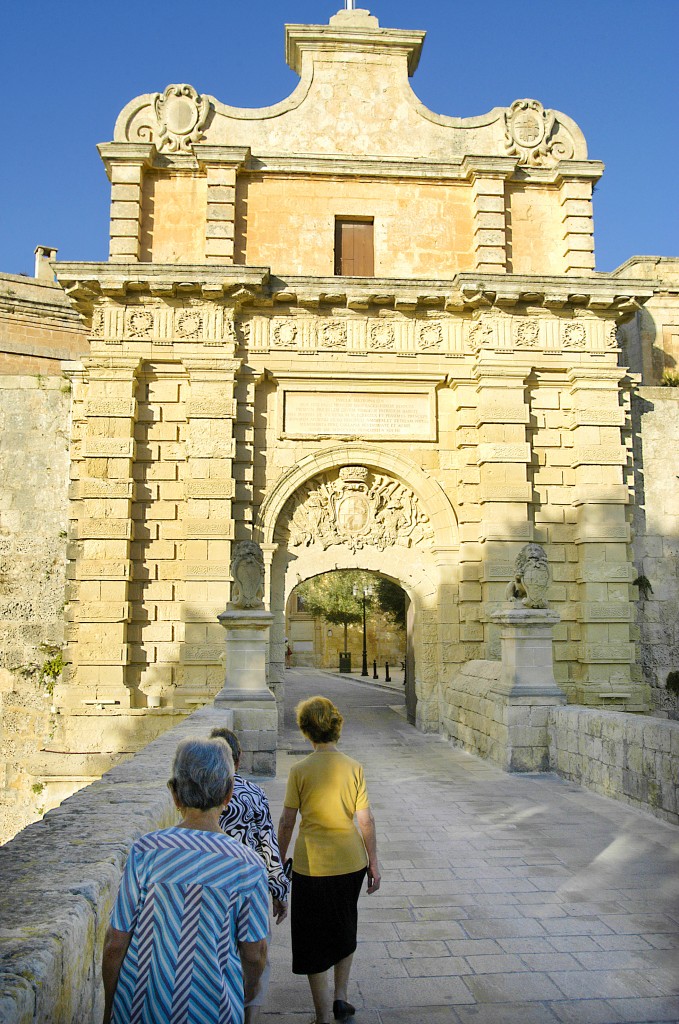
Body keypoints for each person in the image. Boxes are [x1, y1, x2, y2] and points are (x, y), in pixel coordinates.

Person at [101, 737, 269, 1024]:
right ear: (228, 793)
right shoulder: (248, 865)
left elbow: (116, 943)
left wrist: (109, 1009)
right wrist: (245, 997)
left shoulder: (146, 851)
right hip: (212, 1011)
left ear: (175, 794)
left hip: (142, 1008)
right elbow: (254, 954)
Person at [277, 695, 381, 1024]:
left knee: (312, 937)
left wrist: (279, 861)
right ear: (335, 725)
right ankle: (341, 998)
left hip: (312, 864)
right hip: (351, 861)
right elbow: (365, 820)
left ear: (305, 730)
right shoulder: (354, 767)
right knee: (344, 925)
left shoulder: (299, 770)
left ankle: (322, 1016)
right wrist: (373, 862)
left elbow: (287, 822)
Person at [210, 726, 291, 1024]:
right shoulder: (254, 794)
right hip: (250, 891)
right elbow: (268, 846)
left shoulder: (204, 794)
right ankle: (250, 1017)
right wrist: (280, 892)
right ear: (239, 759)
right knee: (256, 956)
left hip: (213, 889)